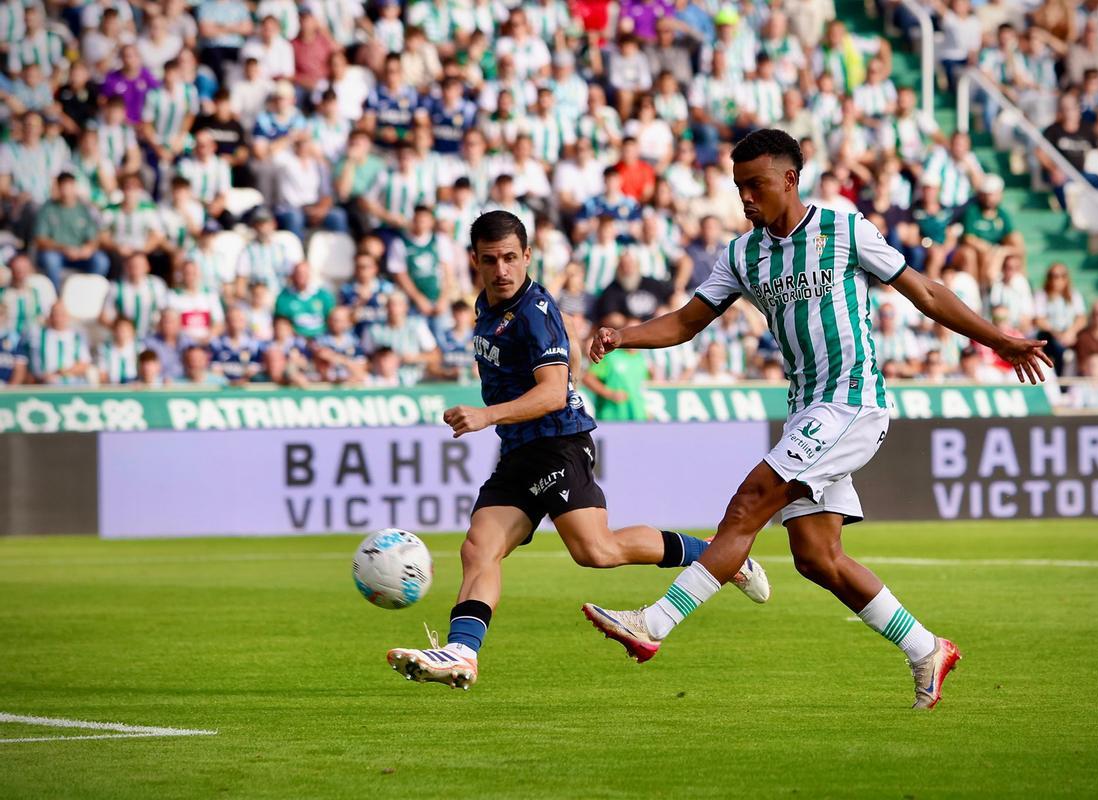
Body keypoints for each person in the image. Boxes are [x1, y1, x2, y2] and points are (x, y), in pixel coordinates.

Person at [581, 130, 1052, 709]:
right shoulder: (741, 255)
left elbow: (924, 292)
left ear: (789, 179)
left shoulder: (844, 229)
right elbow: (684, 323)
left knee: (747, 505)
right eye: (738, 188)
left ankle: (652, 625)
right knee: (816, 556)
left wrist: (999, 341)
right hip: (808, 412)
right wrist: (621, 335)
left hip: (852, 403)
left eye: (756, 185)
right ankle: (927, 648)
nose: (746, 198)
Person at [385, 210, 771, 691]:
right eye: (491, 260)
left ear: (527, 256)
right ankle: (462, 652)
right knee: (478, 547)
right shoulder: (488, 306)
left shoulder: (535, 313)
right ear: (475, 262)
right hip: (518, 449)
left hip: (556, 444)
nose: (502, 269)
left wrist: (486, 415)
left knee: (596, 550)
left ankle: (715, 555)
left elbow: (552, 392)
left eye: (510, 258)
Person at [33, 172, 110, 289]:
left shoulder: (85, 208)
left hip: (80, 254)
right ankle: (56, 298)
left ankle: (90, 294)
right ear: (58, 188)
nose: (66, 191)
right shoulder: (47, 208)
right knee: (50, 260)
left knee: (101, 261)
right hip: (57, 253)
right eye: (63, 187)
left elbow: (94, 236)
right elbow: (40, 239)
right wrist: (63, 249)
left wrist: (88, 248)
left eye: (69, 186)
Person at [582, 311, 649, 420]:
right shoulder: (611, 356)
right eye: (631, 330)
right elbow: (587, 379)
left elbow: (640, 387)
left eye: (638, 330)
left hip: (638, 416)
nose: (634, 335)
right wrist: (610, 394)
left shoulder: (641, 358)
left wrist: (646, 410)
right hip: (612, 417)